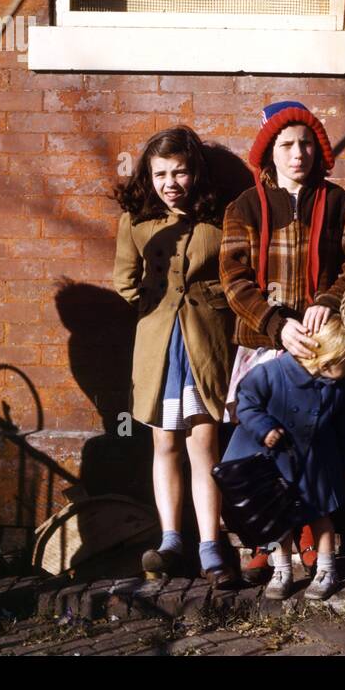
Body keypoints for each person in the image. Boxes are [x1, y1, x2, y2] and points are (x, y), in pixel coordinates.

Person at [220, 101, 345, 583]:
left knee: (314, 439)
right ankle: (266, 536)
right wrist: (275, 322)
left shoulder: (338, 201)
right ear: (269, 153)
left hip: (320, 346)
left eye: (305, 143)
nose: (297, 153)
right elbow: (234, 278)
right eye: (286, 145)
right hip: (266, 339)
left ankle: (310, 536)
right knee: (261, 440)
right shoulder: (244, 206)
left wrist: (327, 299)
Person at [113, 125, 239, 586]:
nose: (170, 183)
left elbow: (235, 277)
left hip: (205, 341)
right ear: (149, 175)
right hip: (158, 343)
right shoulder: (136, 220)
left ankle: (210, 545)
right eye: (161, 173)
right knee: (164, 442)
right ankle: (170, 541)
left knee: (204, 444)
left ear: (195, 174)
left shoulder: (221, 218)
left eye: (180, 172)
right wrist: (157, 307)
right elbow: (125, 282)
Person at [220, 316, 345, 600]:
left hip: (318, 462)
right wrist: (264, 428)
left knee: (321, 516)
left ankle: (327, 569)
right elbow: (247, 403)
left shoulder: (338, 387)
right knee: (281, 520)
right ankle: (282, 569)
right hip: (279, 462)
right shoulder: (272, 373)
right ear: (325, 358)